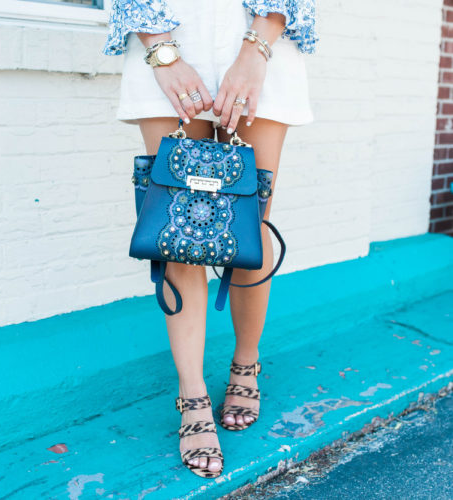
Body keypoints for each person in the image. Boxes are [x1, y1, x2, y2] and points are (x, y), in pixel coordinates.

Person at [103, 0, 317, 479]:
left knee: (249, 229)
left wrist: (257, 48)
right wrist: (163, 53)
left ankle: (246, 363)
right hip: (170, 35)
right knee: (179, 234)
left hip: (261, 42)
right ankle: (192, 392)